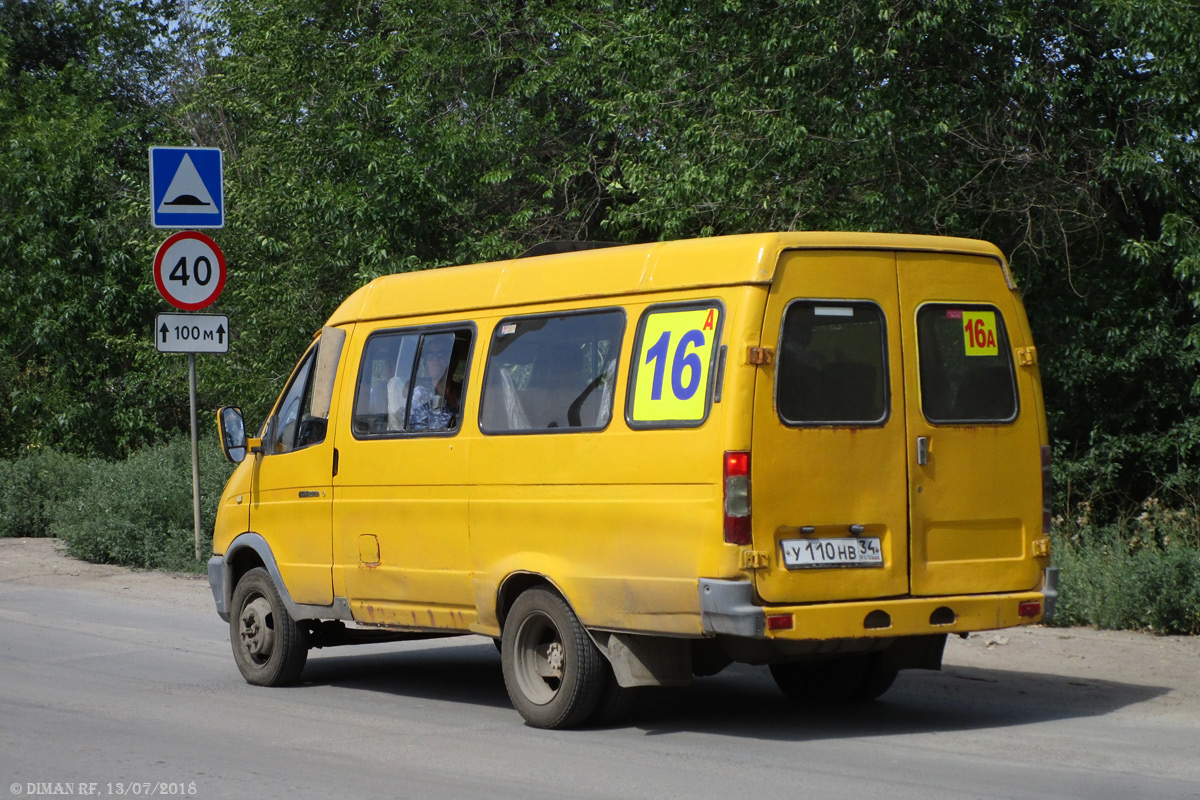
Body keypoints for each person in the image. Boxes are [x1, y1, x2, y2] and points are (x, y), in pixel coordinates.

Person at [408, 336, 459, 431]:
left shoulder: (465, 391)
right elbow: (418, 437)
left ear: (453, 360)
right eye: (430, 354)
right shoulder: (421, 395)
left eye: (441, 353)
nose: (435, 359)